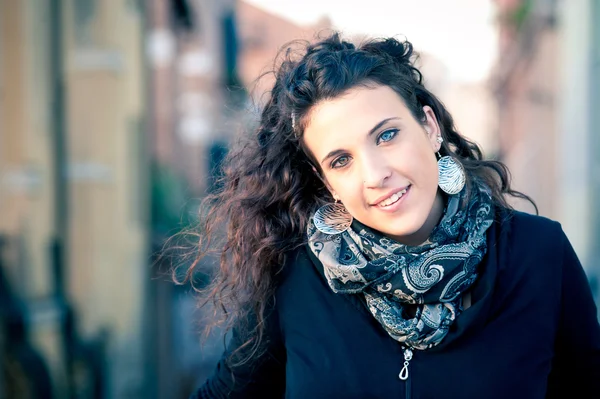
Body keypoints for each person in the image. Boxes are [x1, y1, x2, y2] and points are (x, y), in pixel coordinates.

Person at [184, 32, 600, 398]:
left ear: (429, 125)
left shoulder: (538, 253)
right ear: (325, 180)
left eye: (386, 135)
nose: (376, 175)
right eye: (342, 160)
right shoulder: (293, 274)